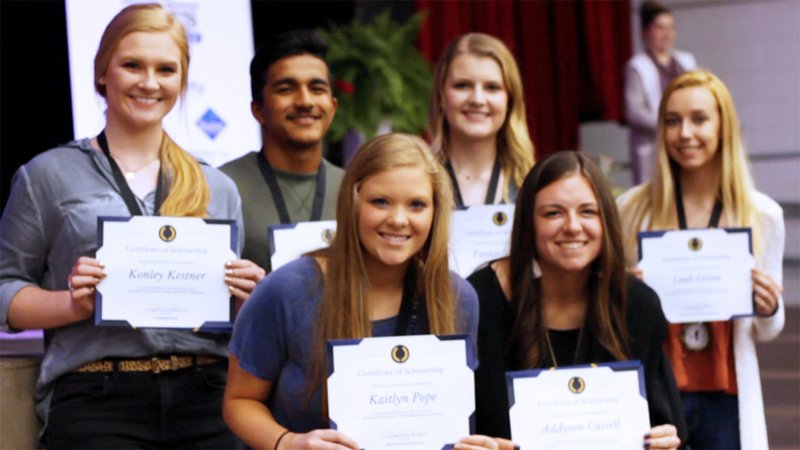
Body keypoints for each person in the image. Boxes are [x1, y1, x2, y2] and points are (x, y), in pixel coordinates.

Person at [0, 4, 263, 448]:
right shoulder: (47, 174)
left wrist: (251, 300)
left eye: (166, 69)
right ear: (103, 73)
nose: (149, 82)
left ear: (181, 81)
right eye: (132, 65)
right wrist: (72, 305)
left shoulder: (217, 186)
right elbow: (5, 287)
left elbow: (233, 321)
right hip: (97, 397)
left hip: (207, 397)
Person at [223, 133, 480, 449]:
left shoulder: (458, 298)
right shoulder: (286, 291)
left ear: (436, 211)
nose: (398, 219)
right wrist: (289, 443)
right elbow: (239, 400)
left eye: (417, 205)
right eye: (380, 202)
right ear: (352, 203)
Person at [469, 151, 686, 449]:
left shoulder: (637, 306)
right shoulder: (480, 302)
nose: (572, 226)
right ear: (528, 223)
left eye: (587, 212)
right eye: (553, 213)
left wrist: (666, 442)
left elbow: (667, 429)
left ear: (606, 221)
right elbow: (460, 428)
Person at [617, 70, 784, 450]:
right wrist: (622, 292)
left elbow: (767, 329)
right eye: (672, 121)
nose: (685, 133)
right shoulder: (630, 210)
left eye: (699, 119)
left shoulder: (762, 215)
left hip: (726, 395)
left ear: (724, 126)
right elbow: (614, 316)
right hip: (656, 392)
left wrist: (769, 306)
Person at [220, 30, 344, 273]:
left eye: (317, 89)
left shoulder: (357, 189)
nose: (305, 101)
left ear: (332, 107)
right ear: (258, 109)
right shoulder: (222, 187)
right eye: (286, 89)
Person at [428, 32, 535, 207]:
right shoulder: (417, 181)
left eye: (492, 88)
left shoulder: (533, 185)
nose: (477, 99)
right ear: (440, 96)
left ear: (510, 100)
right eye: (462, 85)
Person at [625, 0, 697, 185]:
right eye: (660, 28)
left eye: (671, 28)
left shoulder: (686, 61)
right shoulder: (638, 66)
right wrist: (668, 124)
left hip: (685, 140)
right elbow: (634, 112)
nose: (667, 34)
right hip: (654, 146)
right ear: (646, 32)